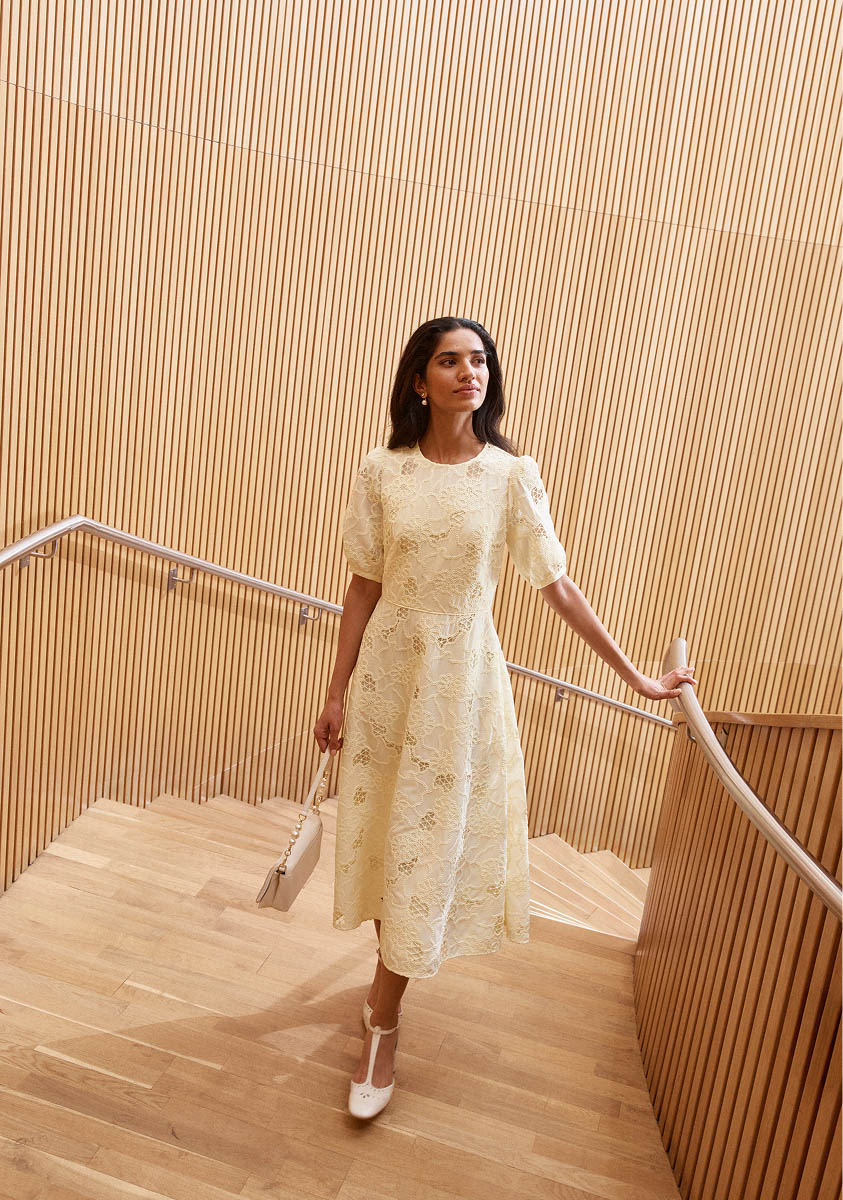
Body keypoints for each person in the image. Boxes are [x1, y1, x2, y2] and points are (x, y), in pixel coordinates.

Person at [313, 316, 697, 1119]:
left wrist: (634, 676)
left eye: (478, 360)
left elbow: (556, 585)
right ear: (419, 380)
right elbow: (362, 584)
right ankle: (388, 986)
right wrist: (336, 688)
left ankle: (382, 1022)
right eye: (448, 361)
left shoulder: (510, 476)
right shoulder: (381, 470)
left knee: (422, 847)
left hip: (458, 687)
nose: (467, 372)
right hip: (389, 679)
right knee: (390, 835)